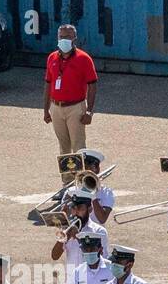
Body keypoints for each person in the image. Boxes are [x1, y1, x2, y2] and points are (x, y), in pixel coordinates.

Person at [42, 24, 98, 153]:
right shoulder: (52, 58)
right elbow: (48, 84)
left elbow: (93, 85)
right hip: (56, 107)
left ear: (75, 38)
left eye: (68, 37)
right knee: (63, 146)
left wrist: (89, 111)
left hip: (75, 108)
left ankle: (80, 173)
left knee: (78, 145)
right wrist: (46, 110)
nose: (64, 40)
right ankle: (67, 174)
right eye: (61, 37)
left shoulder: (84, 59)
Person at [51, 189, 109, 268]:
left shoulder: (99, 231)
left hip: (90, 278)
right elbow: (54, 256)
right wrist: (65, 237)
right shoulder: (68, 230)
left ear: (89, 209)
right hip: (72, 279)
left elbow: (102, 260)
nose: (76, 212)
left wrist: (79, 238)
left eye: (80, 208)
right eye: (73, 208)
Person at [78, 149, 115, 224]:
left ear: (97, 169)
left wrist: (93, 196)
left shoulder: (106, 192)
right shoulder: (71, 190)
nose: (85, 172)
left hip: (96, 233)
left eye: (88, 168)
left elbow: (102, 219)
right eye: (83, 168)